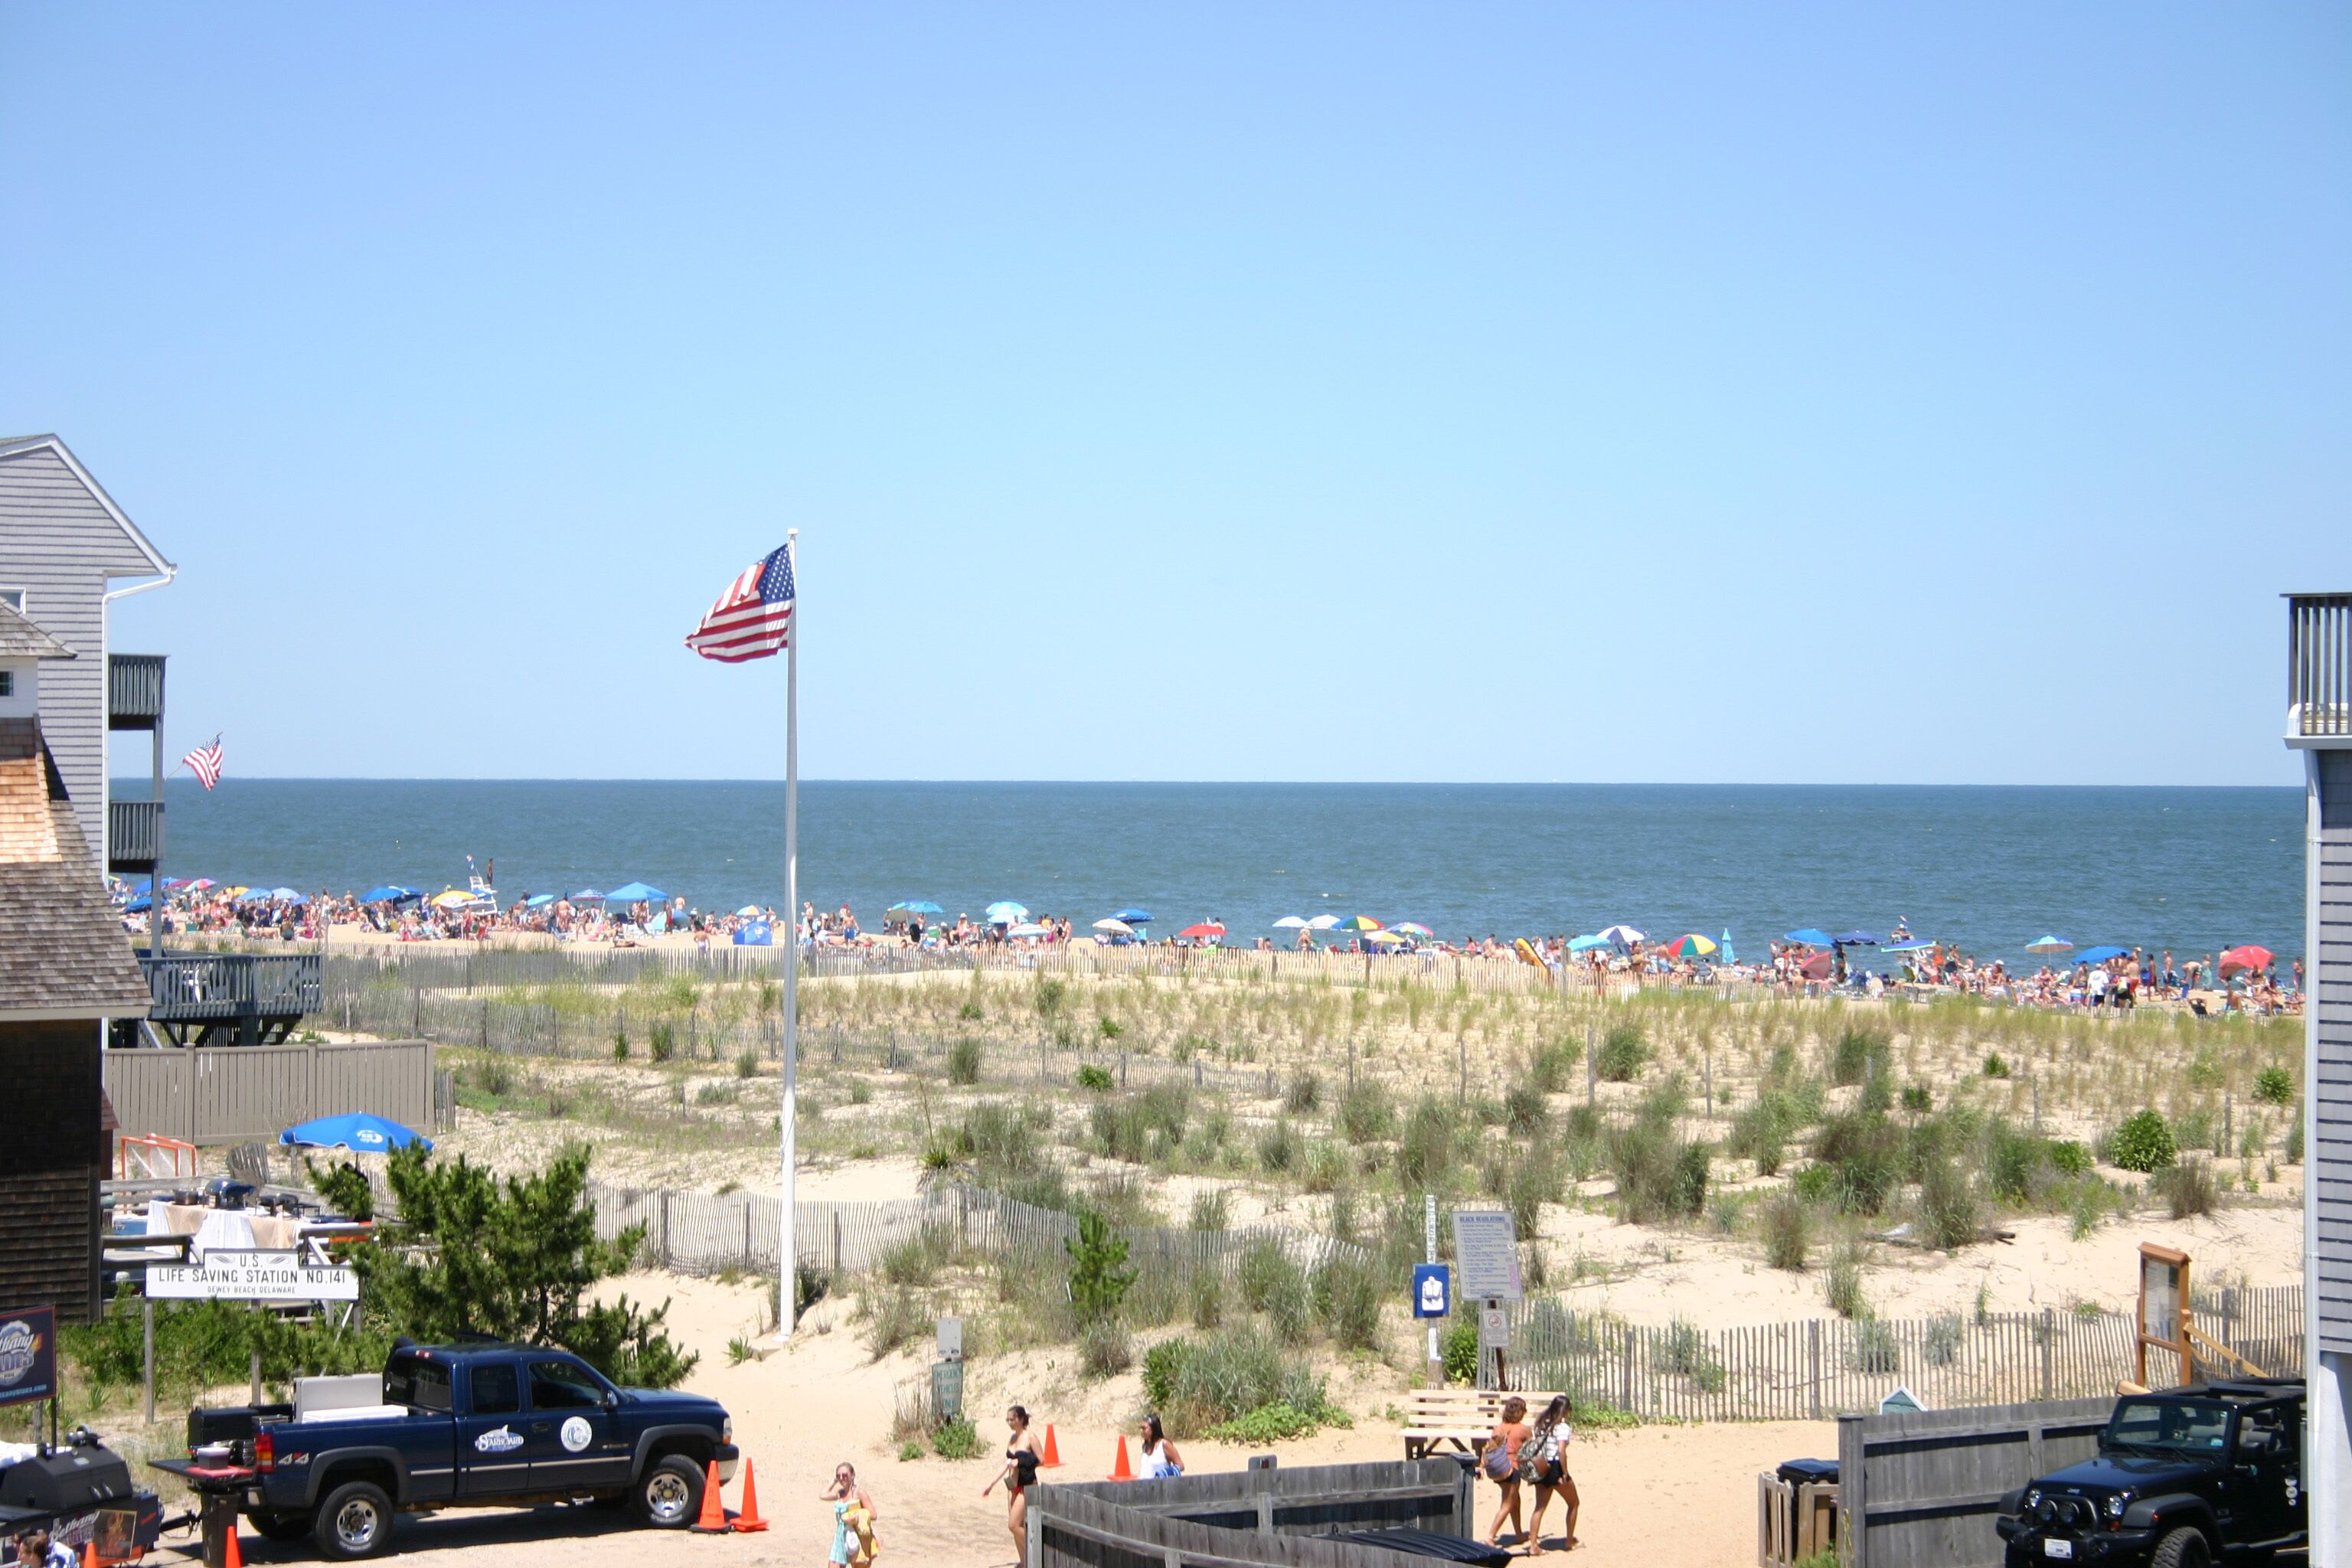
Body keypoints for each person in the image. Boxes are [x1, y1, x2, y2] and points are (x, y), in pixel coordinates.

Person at [982, 1404, 1044, 1566]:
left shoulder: (1030, 1437)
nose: (1010, 1422)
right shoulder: (1012, 1439)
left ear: (1021, 1419)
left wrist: (1020, 1462)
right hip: (1012, 1486)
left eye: (1012, 1419)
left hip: (1027, 1485)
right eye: (1007, 1420)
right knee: (1017, 1526)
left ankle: (1038, 1550)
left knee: (1013, 1525)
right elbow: (1006, 1463)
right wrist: (991, 1484)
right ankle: (1025, 1561)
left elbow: (1041, 1460)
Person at [1521, 1394, 1579, 1554]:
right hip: (1555, 1467)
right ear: (1565, 1410)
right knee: (1573, 1503)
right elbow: (1561, 1451)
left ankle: (1533, 1545)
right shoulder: (1562, 1427)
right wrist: (1565, 1473)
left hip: (1541, 1466)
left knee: (1539, 1507)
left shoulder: (1541, 1423)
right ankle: (1569, 1540)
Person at [1480, 1394, 1532, 1548]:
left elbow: (1489, 1446)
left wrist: (1481, 1466)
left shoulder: (1499, 1427)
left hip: (1498, 1469)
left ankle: (1519, 1534)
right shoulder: (1524, 1430)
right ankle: (1491, 1536)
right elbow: (1531, 1450)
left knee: (1515, 1500)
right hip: (1512, 1468)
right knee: (1508, 1504)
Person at [818, 1462, 877, 1566]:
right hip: (841, 1535)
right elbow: (823, 1495)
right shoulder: (841, 1493)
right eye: (839, 1475)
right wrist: (834, 1481)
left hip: (857, 1534)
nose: (842, 1478)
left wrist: (855, 1515)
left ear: (853, 1475)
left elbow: (873, 1515)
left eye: (845, 1475)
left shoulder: (859, 1493)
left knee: (859, 1564)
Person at [1138, 1413, 1182, 1478]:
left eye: (1144, 1428)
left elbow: (1180, 1466)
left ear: (1153, 1429)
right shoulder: (1146, 1446)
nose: (1141, 1431)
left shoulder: (1164, 1445)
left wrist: (1164, 1473)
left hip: (1160, 1486)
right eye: (1140, 1428)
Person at [11, 1524, 75, 1568]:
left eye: (21, 1553)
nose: (18, 1557)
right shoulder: (41, 1559)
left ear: (32, 1555)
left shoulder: (58, 1557)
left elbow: (76, 1555)